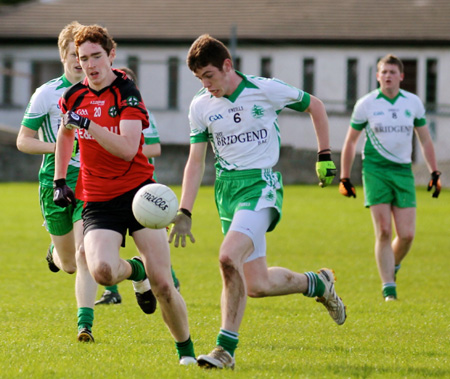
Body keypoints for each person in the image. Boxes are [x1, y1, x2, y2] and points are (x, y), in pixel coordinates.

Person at [169, 34, 346, 370]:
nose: (207, 85)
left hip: (261, 185)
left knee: (227, 256)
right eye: (199, 79)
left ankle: (225, 350)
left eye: (209, 76)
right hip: (227, 192)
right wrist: (185, 210)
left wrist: (324, 155)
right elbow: (196, 161)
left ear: (227, 66)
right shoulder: (201, 106)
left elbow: (315, 106)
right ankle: (318, 282)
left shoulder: (264, 89)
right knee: (257, 285)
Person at [53, 24, 196, 364]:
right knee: (101, 270)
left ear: (111, 55)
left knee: (163, 284)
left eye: (96, 56)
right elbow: (64, 134)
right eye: (83, 58)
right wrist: (61, 181)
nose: (90, 65)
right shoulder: (74, 96)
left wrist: (89, 125)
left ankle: (187, 353)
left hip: (140, 196)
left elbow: (129, 148)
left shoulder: (127, 92)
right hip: (99, 199)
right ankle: (136, 271)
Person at [17, 22, 121, 309]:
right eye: (73, 55)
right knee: (69, 264)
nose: (80, 61)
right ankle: (55, 249)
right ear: (62, 56)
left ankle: (84, 324)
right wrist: (59, 146)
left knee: (84, 252)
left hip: (90, 179)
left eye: (84, 55)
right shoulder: (46, 94)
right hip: (56, 178)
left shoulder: (104, 91)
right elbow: (23, 141)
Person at [339, 54, 441, 301]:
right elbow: (351, 142)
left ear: (401, 77)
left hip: (403, 172)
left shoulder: (413, 103)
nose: (387, 76)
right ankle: (389, 290)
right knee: (384, 230)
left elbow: (425, 139)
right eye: (383, 72)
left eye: (392, 72)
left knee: (406, 235)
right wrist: (344, 177)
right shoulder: (366, 104)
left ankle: (391, 264)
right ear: (377, 76)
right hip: (375, 171)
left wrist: (434, 172)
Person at [116, 66, 181, 292]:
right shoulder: (106, 110)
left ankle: (170, 279)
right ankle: (111, 290)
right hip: (112, 184)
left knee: (152, 241)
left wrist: (124, 151)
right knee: (107, 235)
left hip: (140, 188)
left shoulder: (140, 111)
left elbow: (154, 148)